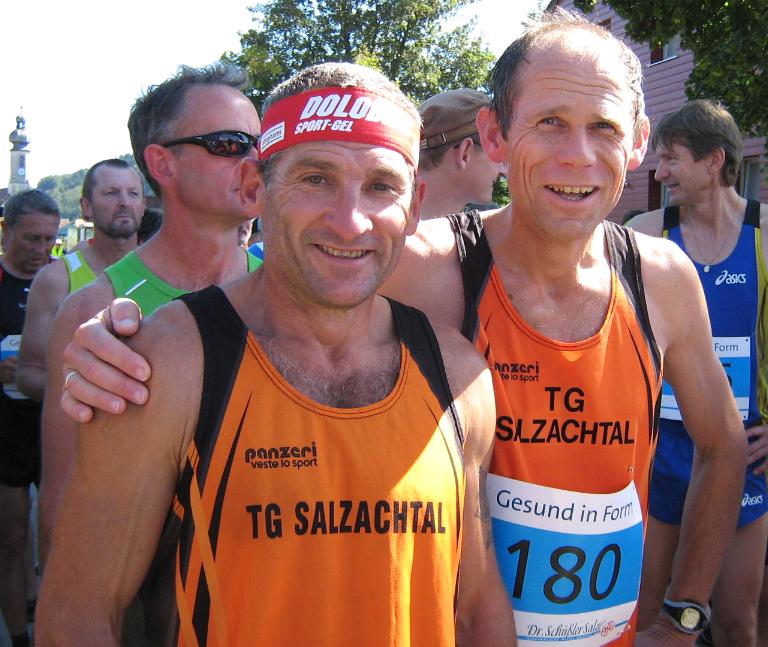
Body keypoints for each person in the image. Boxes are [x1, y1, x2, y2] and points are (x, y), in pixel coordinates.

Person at [54, 9, 747, 646]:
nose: (577, 155)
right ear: (493, 136)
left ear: (638, 142)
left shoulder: (652, 283)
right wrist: (119, 340)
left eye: (604, 128)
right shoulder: (423, 267)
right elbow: (286, 289)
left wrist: (682, 616)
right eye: (549, 123)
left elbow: (720, 447)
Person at [37, 61, 515, 646]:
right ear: (255, 188)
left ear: (414, 205)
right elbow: (78, 615)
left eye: (381, 186)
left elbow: (476, 606)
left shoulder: (459, 375)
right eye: (314, 178)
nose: (350, 222)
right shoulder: (165, 364)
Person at [36, 62, 263, 575]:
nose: (256, 161)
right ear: (162, 165)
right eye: (230, 144)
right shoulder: (93, 312)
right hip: (156, 595)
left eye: (261, 143)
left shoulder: (286, 290)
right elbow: (61, 503)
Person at [628, 99, 768, 646]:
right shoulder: (647, 233)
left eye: (671, 159)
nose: (659, 172)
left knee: (736, 621)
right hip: (663, 449)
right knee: (644, 619)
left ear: (713, 161)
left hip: (742, 450)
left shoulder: (763, 234)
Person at [16, 159, 144, 403]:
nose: (124, 202)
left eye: (133, 193)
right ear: (87, 206)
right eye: (111, 192)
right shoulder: (55, 280)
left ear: (143, 206)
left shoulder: (168, 273)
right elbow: (29, 373)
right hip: (80, 421)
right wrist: (90, 392)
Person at [0, 189, 60, 647]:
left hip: (52, 426)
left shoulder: (61, 280)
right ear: (6, 232)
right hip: (5, 429)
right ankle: (18, 635)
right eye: (31, 238)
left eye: (49, 239)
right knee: (11, 539)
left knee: (58, 539)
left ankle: (50, 621)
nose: (41, 249)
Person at [418, 88, 504, 218]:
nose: (503, 170)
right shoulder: (486, 228)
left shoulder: (390, 223)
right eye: (496, 150)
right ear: (464, 153)